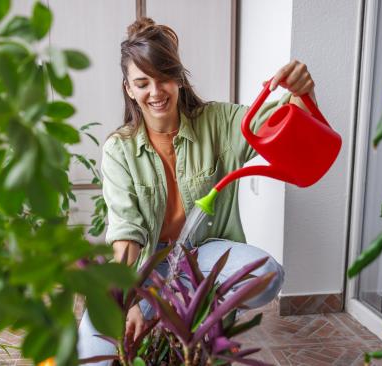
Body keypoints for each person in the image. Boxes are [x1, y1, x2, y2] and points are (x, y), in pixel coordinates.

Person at [77, 17, 317, 364]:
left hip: (204, 255)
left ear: (178, 78)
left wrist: (302, 92)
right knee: (94, 353)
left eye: (163, 79)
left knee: (267, 273)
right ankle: (166, 313)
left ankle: (184, 316)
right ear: (129, 88)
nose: (155, 92)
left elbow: (285, 126)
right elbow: (127, 233)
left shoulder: (219, 121)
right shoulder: (119, 149)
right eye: (142, 83)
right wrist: (126, 300)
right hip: (148, 267)